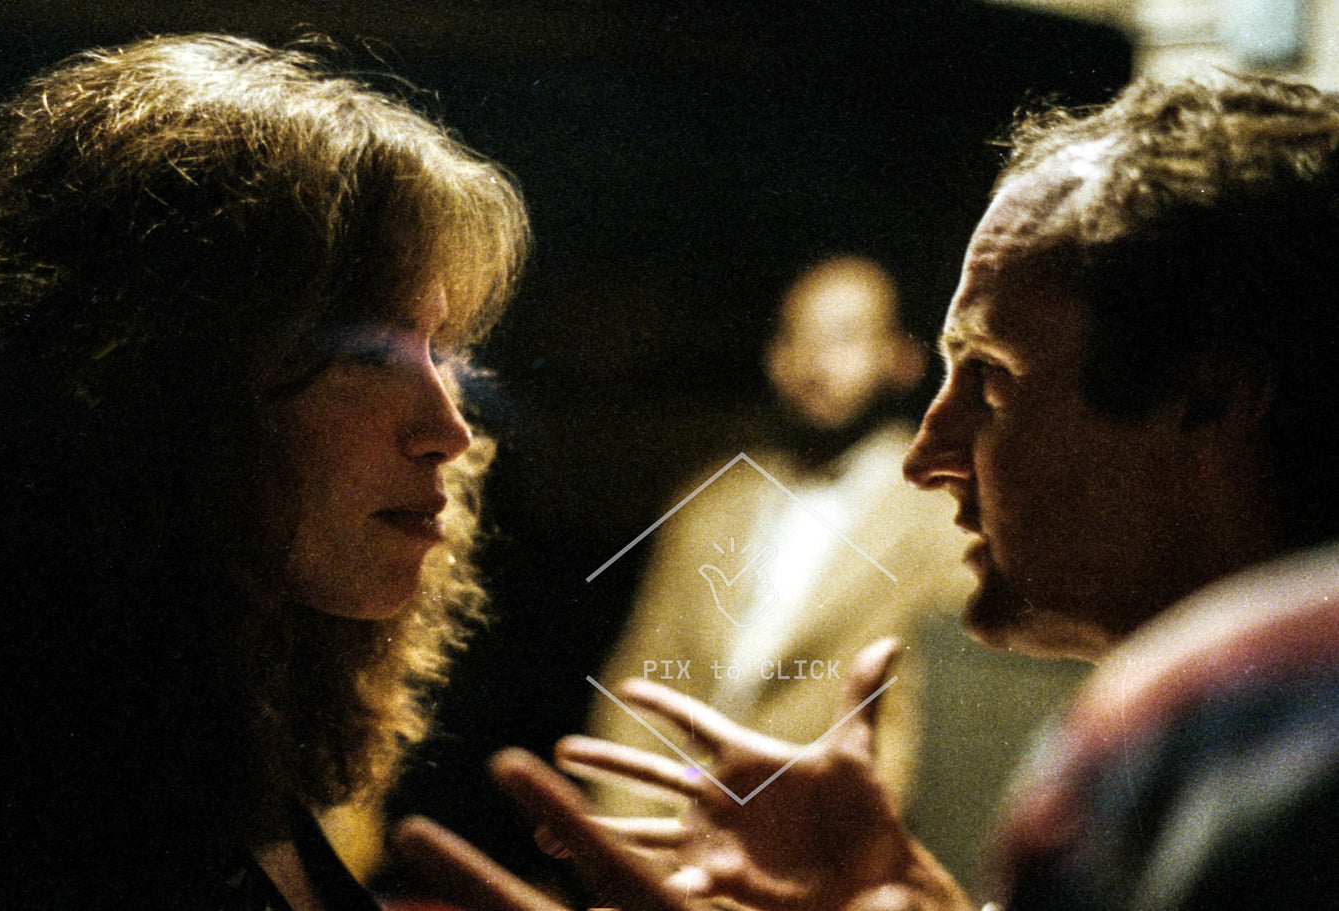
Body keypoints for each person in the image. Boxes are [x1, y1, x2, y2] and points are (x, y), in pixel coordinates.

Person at [390, 71, 1339, 911]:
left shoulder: (1246, 761)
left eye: (993, 384)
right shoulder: (716, 503)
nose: (929, 455)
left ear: (1207, 401)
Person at [0, 34, 527, 911]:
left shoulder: (213, 739)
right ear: (151, 382)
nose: (450, 430)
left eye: (442, 350)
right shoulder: (3, 790)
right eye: (367, 351)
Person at [587, 256, 1077, 886]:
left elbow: (952, 716)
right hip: (664, 855)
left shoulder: (948, 512)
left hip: (825, 867)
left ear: (899, 357)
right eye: (799, 337)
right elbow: (638, 683)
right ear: (774, 356)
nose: (817, 362)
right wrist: (629, 853)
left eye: (845, 338)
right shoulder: (710, 503)